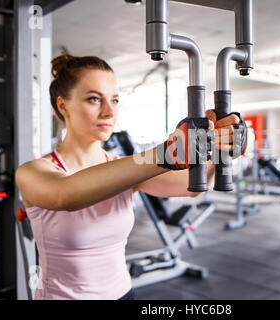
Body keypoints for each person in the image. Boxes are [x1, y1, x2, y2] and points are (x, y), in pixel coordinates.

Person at [15, 54, 247, 300]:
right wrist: (167, 153)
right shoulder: (33, 172)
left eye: (114, 100)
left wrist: (219, 150)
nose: (108, 112)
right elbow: (67, 195)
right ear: (63, 105)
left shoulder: (124, 169)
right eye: (94, 99)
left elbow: (192, 187)